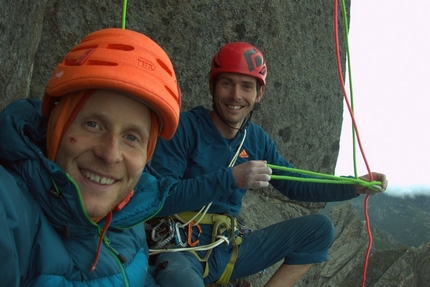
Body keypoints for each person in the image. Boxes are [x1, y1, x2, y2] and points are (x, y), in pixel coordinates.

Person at [145, 41, 388, 287]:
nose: (236, 95)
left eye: (247, 86)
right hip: (181, 251)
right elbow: (160, 200)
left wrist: (353, 186)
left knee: (320, 229)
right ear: (212, 86)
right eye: (227, 83)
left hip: (229, 248)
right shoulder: (185, 128)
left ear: (259, 94)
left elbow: (296, 184)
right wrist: (231, 179)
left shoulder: (256, 140)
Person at [0, 28, 181, 286]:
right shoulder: (10, 210)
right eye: (93, 124)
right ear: (57, 126)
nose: (110, 155)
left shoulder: (129, 209)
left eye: (132, 137)